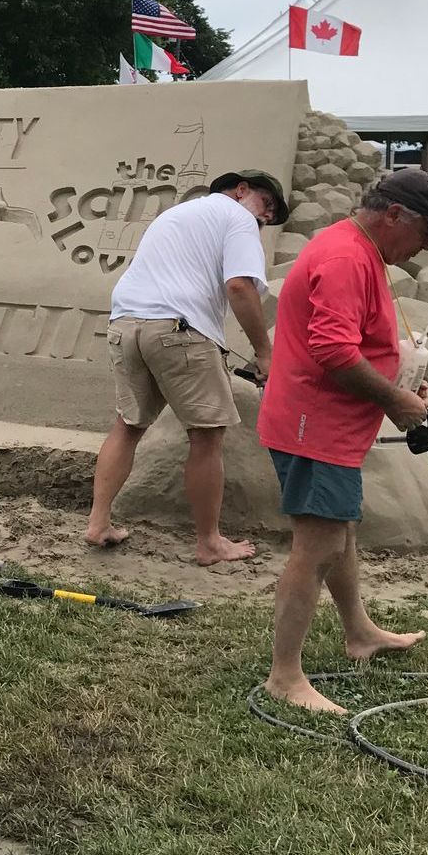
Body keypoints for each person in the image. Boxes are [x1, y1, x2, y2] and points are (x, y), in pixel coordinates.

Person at [258, 168, 428, 714]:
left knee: (338, 531)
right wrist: (396, 401)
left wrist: (397, 381)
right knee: (318, 544)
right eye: (425, 233)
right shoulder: (348, 257)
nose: (425, 246)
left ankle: (360, 632)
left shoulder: (362, 249)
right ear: (394, 214)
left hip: (331, 424)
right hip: (314, 425)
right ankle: (285, 676)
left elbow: (356, 343)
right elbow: (332, 351)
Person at [83, 169, 288, 565]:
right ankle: (209, 542)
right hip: (178, 330)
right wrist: (266, 353)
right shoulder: (238, 217)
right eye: (267, 206)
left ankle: (98, 523)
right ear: (241, 190)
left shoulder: (176, 215)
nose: (265, 218)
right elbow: (240, 286)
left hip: (125, 323)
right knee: (207, 436)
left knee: (127, 425)